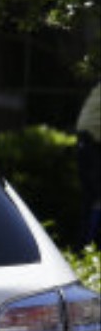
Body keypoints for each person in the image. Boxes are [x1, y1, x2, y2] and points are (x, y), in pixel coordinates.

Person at [77, 82, 101, 246]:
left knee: (91, 199)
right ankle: (89, 246)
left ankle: (85, 248)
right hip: (93, 143)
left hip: (88, 142)